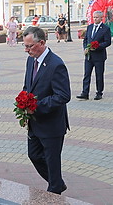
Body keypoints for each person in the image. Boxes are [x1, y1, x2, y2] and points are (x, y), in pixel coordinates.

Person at [21, 26, 71, 194]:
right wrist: (23, 101)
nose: (26, 50)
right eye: (25, 46)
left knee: (52, 160)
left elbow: (63, 96)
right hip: (34, 122)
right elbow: (28, 86)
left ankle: (55, 189)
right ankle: (56, 182)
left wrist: (36, 106)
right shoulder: (31, 60)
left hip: (51, 124)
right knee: (34, 155)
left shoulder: (56, 64)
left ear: (41, 42)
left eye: (29, 46)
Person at [77, 11, 111, 100]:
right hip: (89, 56)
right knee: (86, 74)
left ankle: (99, 93)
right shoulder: (90, 27)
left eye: (96, 17)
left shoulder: (105, 29)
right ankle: (85, 93)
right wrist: (85, 48)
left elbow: (107, 42)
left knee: (99, 75)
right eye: (94, 17)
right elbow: (86, 40)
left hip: (99, 56)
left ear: (101, 18)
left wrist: (97, 46)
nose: (95, 19)